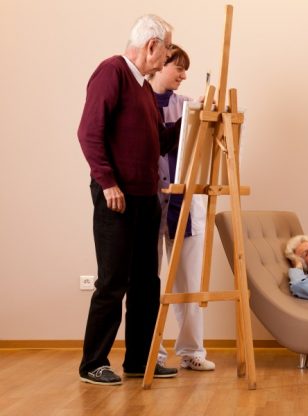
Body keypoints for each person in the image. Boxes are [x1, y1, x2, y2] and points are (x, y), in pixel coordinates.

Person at [77, 14, 182, 385]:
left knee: (146, 284)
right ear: (152, 46)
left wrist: (193, 119)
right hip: (116, 198)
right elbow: (89, 132)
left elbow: (161, 141)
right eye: (167, 49)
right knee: (113, 282)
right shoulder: (112, 72)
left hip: (144, 199)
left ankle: (138, 360)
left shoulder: (143, 88)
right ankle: (93, 363)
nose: (167, 56)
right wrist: (108, 183)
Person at [147, 45, 215, 371]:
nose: (184, 75)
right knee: (147, 281)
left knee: (190, 282)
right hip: (149, 201)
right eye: (179, 68)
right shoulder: (140, 103)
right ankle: (151, 353)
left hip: (184, 203)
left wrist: (208, 113)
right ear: (161, 64)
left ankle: (191, 350)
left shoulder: (187, 106)